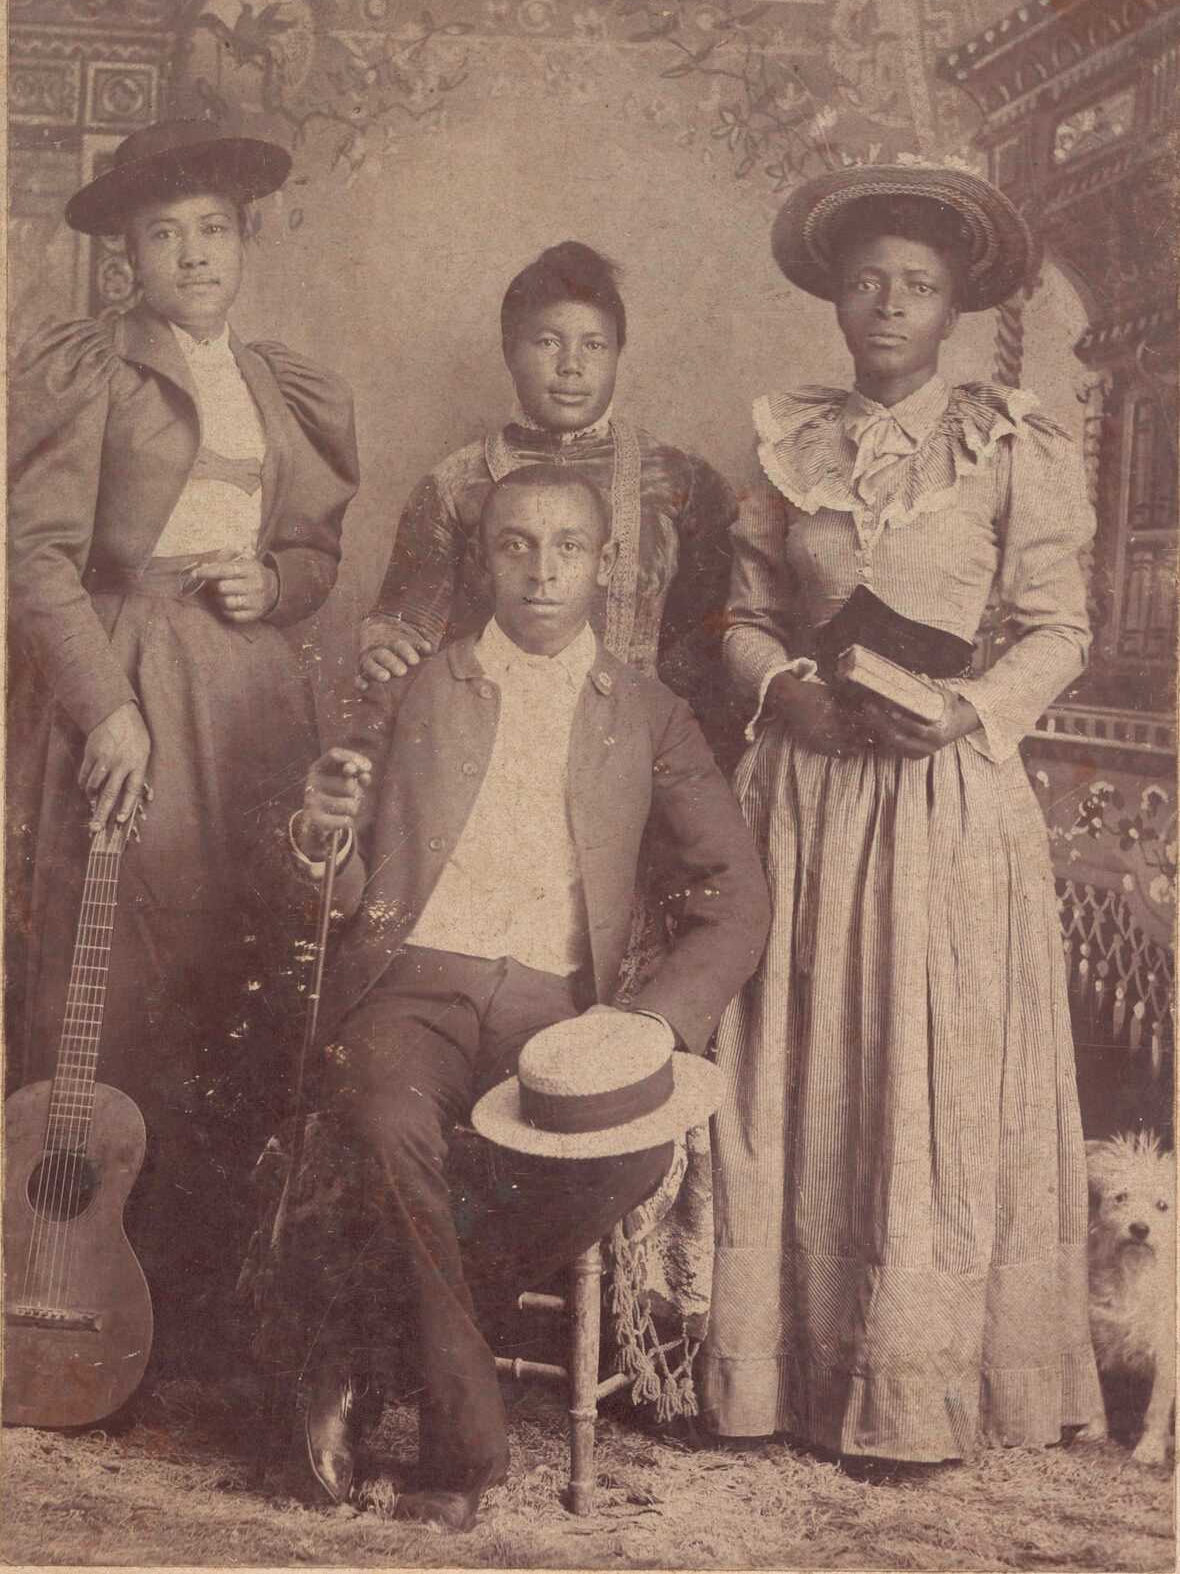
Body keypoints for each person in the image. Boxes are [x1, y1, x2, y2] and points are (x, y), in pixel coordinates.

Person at [700, 162, 1104, 1460]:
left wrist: (968, 711)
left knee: (928, 1058)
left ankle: (917, 1380)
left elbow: (1058, 628)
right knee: (801, 1058)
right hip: (809, 794)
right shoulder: (787, 440)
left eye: (917, 287)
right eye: (867, 280)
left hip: (942, 795)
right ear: (834, 296)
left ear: (955, 308)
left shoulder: (1009, 439)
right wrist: (784, 693)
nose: (887, 305)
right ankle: (780, 1379)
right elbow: (742, 619)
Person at [288, 463, 769, 1526]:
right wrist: (322, 829)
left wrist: (646, 1024)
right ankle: (463, 1453)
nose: (541, 571)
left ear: (605, 565)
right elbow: (338, 865)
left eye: (567, 548)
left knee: (632, 1148)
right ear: (482, 558)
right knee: (383, 1115)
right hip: (415, 981)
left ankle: (370, 1351)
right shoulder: (417, 683)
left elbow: (734, 896)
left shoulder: (648, 714)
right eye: (515, 544)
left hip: (558, 1011)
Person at [6, 119, 359, 1375]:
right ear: (129, 254)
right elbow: (36, 555)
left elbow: (317, 552)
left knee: (241, 964)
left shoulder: (281, 383)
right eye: (166, 233)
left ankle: (206, 1311)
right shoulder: (89, 368)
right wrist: (105, 704)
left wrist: (278, 578)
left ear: (246, 239)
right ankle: (82, 1291)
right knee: (122, 975)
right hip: (133, 675)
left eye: (214, 228)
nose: (195, 253)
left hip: (255, 703)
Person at [357, 239, 738, 760]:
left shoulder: (680, 480)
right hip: (491, 751)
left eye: (594, 346)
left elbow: (713, 629)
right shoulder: (454, 484)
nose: (571, 366)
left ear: (618, 353)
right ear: (510, 350)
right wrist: (386, 646)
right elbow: (407, 627)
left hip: (642, 754)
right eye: (548, 343)